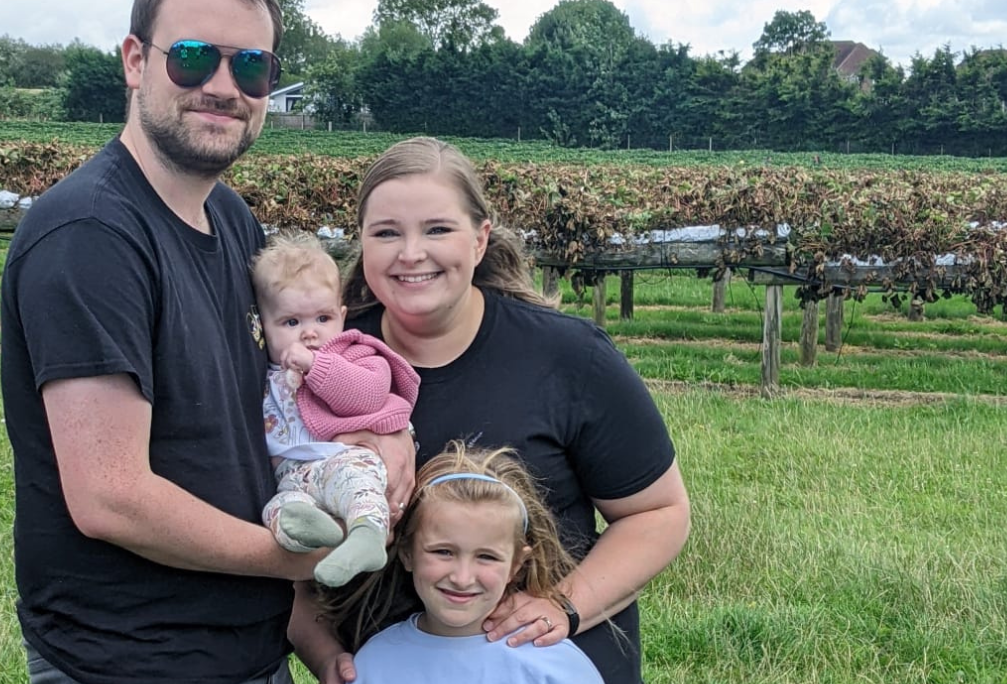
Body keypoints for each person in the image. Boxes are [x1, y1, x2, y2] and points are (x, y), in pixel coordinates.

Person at [0, 0, 413, 684]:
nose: (222, 88)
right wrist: (299, 555)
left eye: (250, 68)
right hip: (128, 659)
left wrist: (384, 435)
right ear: (135, 61)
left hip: (241, 648)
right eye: (192, 59)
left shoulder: (230, 219)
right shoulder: (92, 236)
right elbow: (110, 498)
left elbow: (283, 385)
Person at [290, 137, 690, 684]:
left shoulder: (568, 358)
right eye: (386, 232)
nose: (411, 253)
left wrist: (564, 607)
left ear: (480, 239)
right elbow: (279, 533)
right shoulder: (316, 365)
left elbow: (658, 514)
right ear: (362, 244)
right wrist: (324, 655)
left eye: (437, 229)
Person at [340, 442, 604, 684]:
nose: (462, 577)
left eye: (486, 557)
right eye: (443, 552)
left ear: (516, 564)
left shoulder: (556, 667)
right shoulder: (374, 662)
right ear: (407, 553)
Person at [251, 232, 421, 588]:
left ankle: (367, 536)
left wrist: (315, 367)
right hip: (293, 473)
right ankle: (307, 530)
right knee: (280, 507)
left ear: (342, 317)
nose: (310, 333)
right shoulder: (264, 374)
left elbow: (367, 396)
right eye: (291, 323)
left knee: (355, 485)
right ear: (263, 326)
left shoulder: (352, 355)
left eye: (323, 318)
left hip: (344, 458)